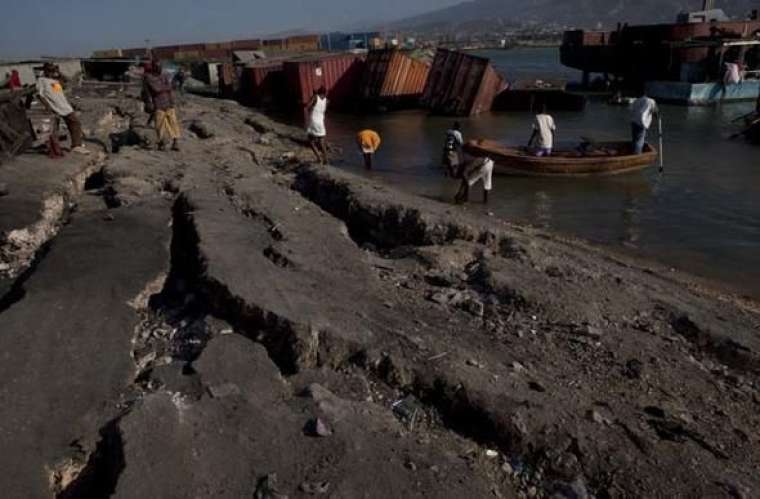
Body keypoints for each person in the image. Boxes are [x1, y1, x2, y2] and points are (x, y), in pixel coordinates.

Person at [36, 62, 89, 155]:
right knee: (54, 129)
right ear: (45, 70)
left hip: (64, 107)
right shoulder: (41, 80)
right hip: (54, 107)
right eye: (49, 70)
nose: (51, 72)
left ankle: (76, 145)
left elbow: (64, 86)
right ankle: (54, 149)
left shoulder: (54, 81)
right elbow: (40, 95)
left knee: (75, 123)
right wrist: (47, 106)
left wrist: (59, 73)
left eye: (52, 70)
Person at [142, 61, 181, 151]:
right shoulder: (149, 78)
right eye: (157, 67)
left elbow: (169, 88)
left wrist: (171, 100)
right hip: (158, 104)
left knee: (173, 123)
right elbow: (155, 90)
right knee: (160, 125)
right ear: (154, 67)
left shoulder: (164, 76)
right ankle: (162, 143)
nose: (160, 69)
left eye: (160, 67)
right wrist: (149, 102)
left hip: (168, 103)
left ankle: (175, 142)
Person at [306, 87, 328, 164]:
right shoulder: (326, 100)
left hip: (314, 122)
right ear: (325, 93)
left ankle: (319, 158)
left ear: (319, 92)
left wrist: (310, 108)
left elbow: (308, 107)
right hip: (321, 122)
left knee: (310, 141)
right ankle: (325, 159)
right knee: (322, 142)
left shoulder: (315, 97)